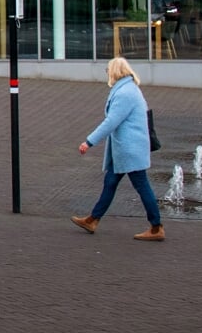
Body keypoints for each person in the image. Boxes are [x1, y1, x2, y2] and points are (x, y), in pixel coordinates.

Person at [71, 56, 166, 242]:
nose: (107, 73)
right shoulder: (129, 88)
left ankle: (156, 227)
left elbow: (111, 122)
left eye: (108, 69)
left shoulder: (125, 93)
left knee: (141, 185)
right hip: (126, 150)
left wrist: (89, 142)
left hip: (129, 150)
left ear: (115, 71)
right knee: (111, 182)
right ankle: (93, 219)